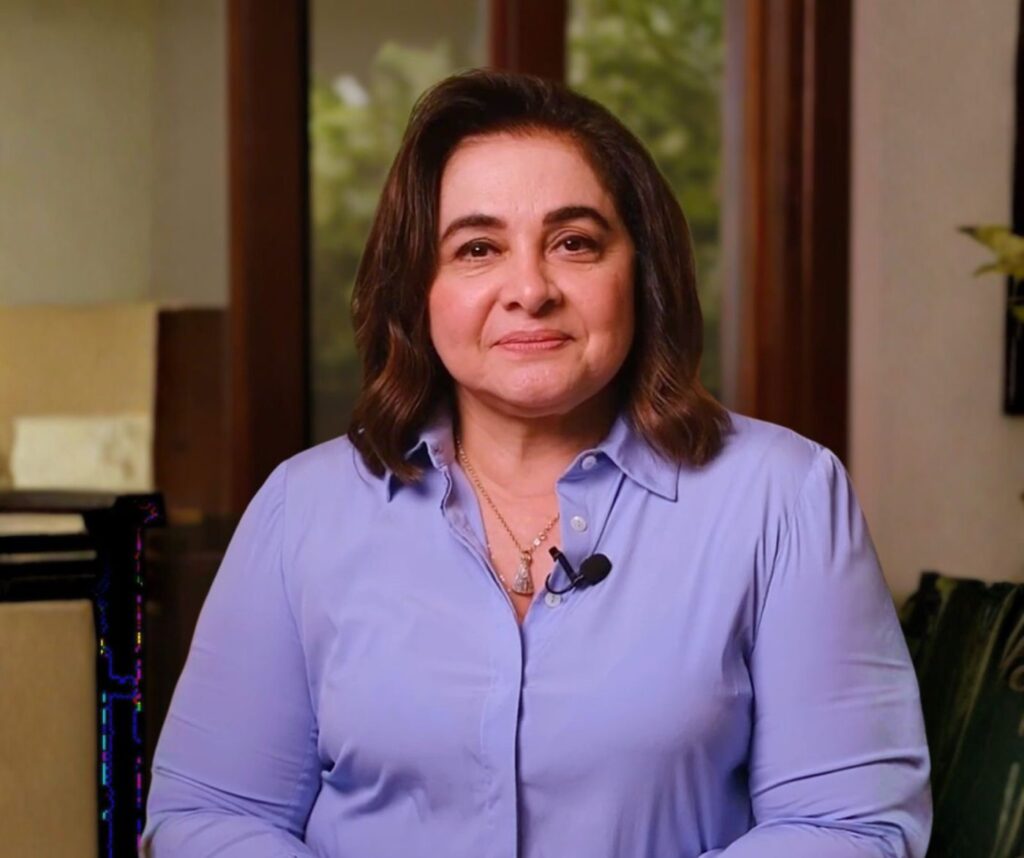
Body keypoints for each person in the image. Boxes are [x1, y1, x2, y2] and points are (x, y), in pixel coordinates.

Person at [142, 69, 932, 857]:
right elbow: (206, 816)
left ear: (641, 272)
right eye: (477, 249)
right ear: (417, 288)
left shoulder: (784, 498)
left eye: (574, 243)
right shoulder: (302, 510)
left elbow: (850, 826)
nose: (529, 288)